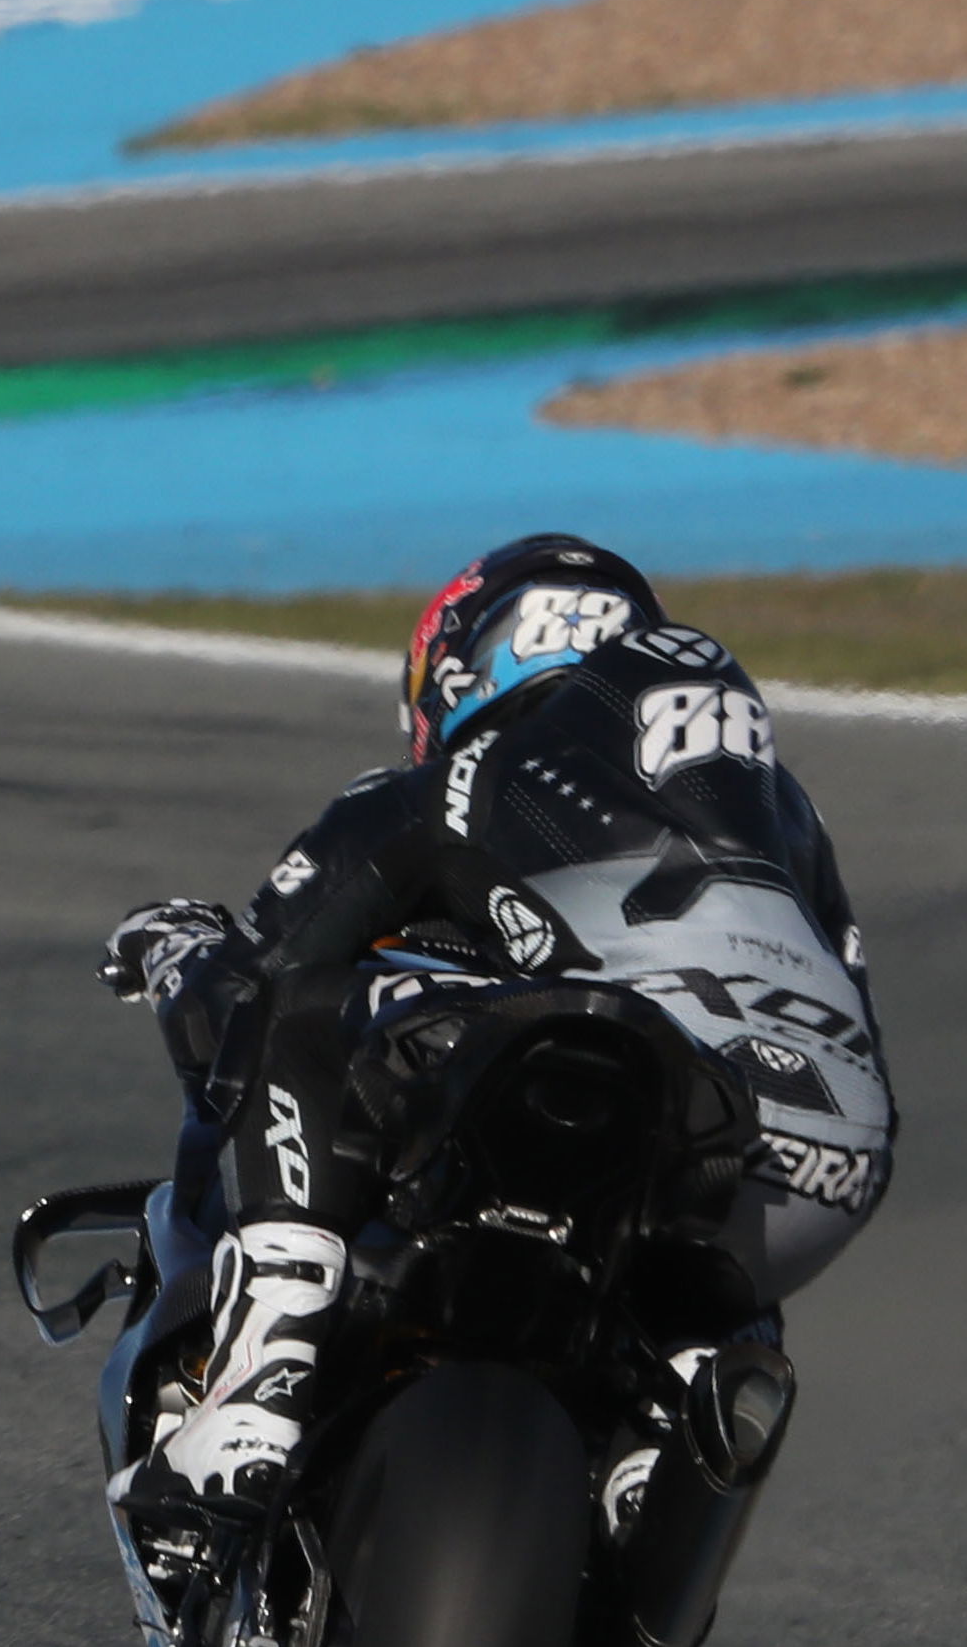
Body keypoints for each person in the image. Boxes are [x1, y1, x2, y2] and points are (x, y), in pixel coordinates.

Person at [102, 532, 895, 1505]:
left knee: (299, 1013)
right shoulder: (790, 824)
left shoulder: (462, 780)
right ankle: (671, 1437)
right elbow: (857, 1005)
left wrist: (174, 945)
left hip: (606, 1081)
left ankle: (262, 1380)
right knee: (715, 1283)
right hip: (824, 1160)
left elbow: (250, 985)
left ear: (461, 669)